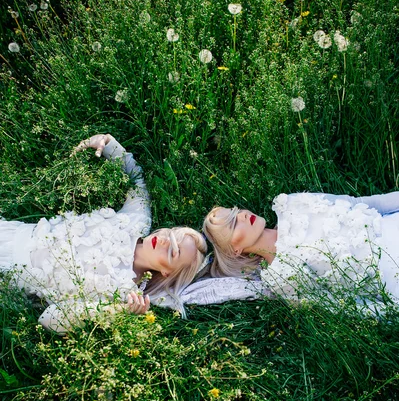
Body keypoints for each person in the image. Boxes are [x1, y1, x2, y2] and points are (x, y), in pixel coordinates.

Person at [0, 134, 207, 333]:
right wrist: (107, 144)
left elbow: (49, 319)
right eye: (171, 235)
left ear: (167, 273)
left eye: (172, 251)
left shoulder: (125, 293)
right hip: (12, 234)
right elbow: (136, 179)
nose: (164, 242)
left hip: (10, 277)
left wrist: (119, 311)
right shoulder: (137, 221)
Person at [202, 191, 399, 309]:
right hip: (391, 275)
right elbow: (340, 305)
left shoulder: (291, 204)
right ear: (236, 250)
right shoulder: (281, 278)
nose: (244, 216)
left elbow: (359, 202)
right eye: (234, 224)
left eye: (237, 212)